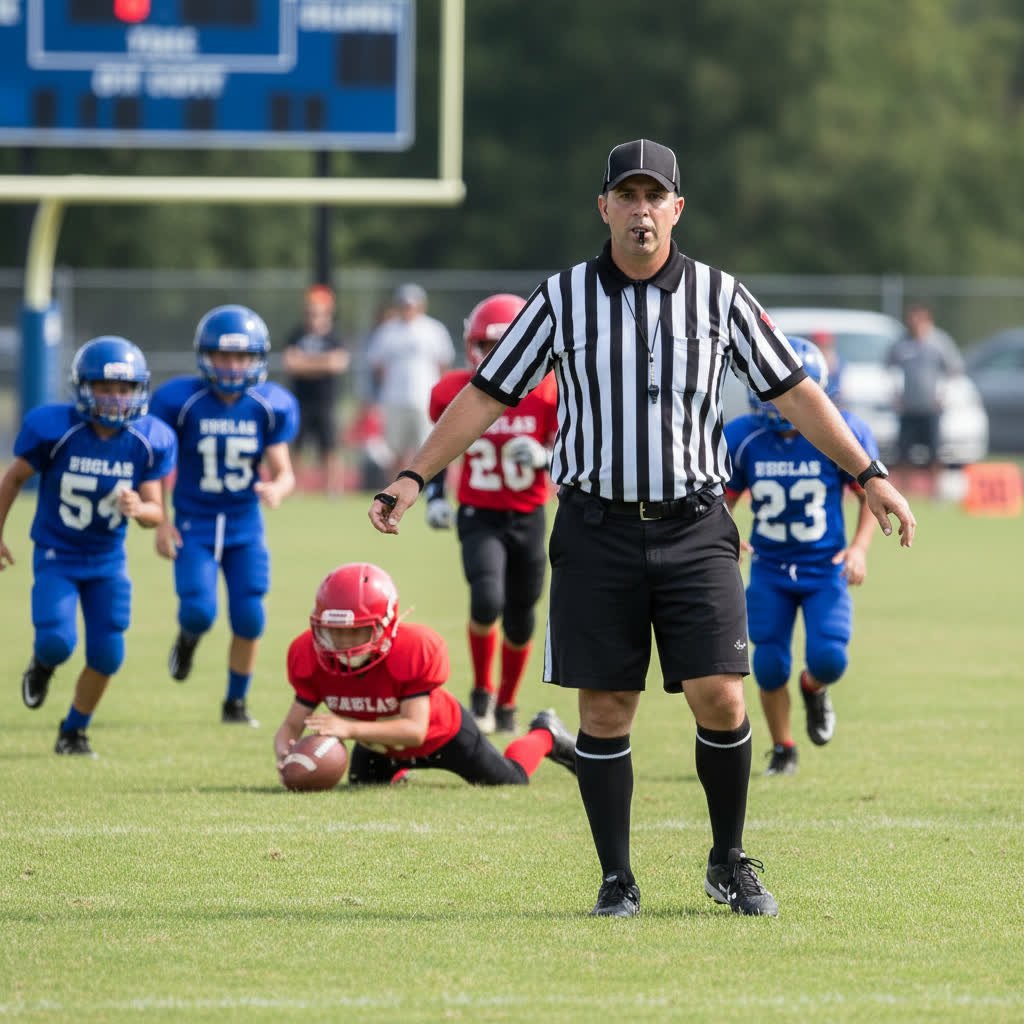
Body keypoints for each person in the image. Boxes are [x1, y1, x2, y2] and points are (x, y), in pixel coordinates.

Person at [368, 138, 916, 919]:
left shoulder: (722, 298)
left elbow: (794, 394)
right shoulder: (560, 300)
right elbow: (488, 394)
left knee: (722, 698)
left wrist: (871, 475)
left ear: (677, 209)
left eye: (654, 196)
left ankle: (727, 860)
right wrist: (412, 474)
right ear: (604, 207)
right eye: (626, 195)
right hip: (596, 527)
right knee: (605, 711)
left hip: (696, 523)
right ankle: (616, 878)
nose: (640, 209)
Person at [0, 336, 176, 756]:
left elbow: (156, 514)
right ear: (82, 387)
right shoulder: (56, 429)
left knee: (109, 652)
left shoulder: (147, 438)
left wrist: (140, 508)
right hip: (57, 554)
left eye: (124, 388)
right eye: (105, 388)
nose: (116, 399)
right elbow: (13, 479)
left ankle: (73, 731)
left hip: (107, 561)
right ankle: (42, 667)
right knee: (57, 641)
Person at [724, 337, 880, 776]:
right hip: (770, 569)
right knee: (769, 664)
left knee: (830, 657)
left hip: (824, 567)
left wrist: (859, 549)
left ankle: (814, 690)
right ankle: (783, 748)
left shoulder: (839, 429)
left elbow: (870, 493)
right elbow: (720, 501)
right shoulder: (743, 435)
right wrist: (727, 534)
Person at [274, 562, 577, 786]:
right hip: (381, 746)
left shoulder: (412, 648)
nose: (343, 644)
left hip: (442, 737)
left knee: (512, 779)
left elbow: (415, 729)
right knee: (364, 787)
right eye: (334, 632)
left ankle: (545, 733)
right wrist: (286, 751)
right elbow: (291, 724)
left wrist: (347, 728)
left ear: (386, 624)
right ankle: (400, 773)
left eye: (357, 632)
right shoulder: (310, 655)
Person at [150, 304, 299, 727]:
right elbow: (159, 464)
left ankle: (235, 703)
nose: (232, 366)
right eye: (223, 356)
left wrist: (277, 488)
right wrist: (162, 520)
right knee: (198, 610)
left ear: (257, 358)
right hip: (194, 523)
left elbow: (284, 470)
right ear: (205, 356)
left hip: (244, 525)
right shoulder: (182, 401)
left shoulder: (268, 405)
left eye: (241, 356)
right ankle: (189, 639)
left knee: (250, 616)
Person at [425, 293, 559, 735]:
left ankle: (507, 704)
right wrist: (435, 496)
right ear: (472, 346)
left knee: (521, 616)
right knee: (486, 601)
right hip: (479, 513)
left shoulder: (548, 390)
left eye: (505, 347)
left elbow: (574, 450)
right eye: (487, 346)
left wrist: (545, 456)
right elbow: (442, 445)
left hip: (528, 515)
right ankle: (481, 692)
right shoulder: (452, 391)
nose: (494, 357)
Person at [364, 283, 455, 475]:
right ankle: (393, 491)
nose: (408, 309)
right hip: (395, 399)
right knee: (394, 451)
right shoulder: (387, 331)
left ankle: (429, 491)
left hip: (424, 399)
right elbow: (378, 366)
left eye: (412, 305)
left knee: (428, 450)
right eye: (404, 305)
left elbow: (443, 364)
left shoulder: (433, 329)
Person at [886, 303, 963, 495]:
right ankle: (904, 492)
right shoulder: (901, 344)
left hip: (931, 408)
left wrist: (944, 394)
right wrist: (895, 394)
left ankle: (936, 492)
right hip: (908, 408)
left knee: (935, 453)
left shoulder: (939, 342)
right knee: (903, 453)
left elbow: (953, 370)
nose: (914, 323)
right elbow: (888, 368)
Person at [281, 284, 350, 495]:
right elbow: (290, 363)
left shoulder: (334, 337)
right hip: (300, 399)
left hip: (325, 400)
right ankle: (294, 489)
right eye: (310, 311)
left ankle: (333, 489)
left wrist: (306, 363)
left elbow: (337, 364)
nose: (313, 315)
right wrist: (322, 363)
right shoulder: (296, 334)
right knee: (297, 446)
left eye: (318, 311)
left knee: (330, 447)